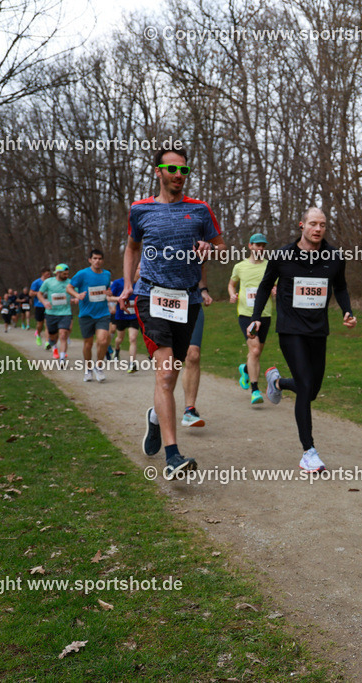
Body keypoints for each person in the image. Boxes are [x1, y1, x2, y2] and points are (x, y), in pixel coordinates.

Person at [117, 143, 226, 479]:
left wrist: (211, 249)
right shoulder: (140, 210)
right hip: (151, 295)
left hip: (188, 300)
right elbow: (131, 248)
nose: (179, 175)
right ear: (159, 172)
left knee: (173, 371)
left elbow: (222, 251)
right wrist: (127, 285)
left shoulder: (201, 210)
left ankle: (155, 417)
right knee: (165, 373)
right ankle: (173, 456)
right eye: (172, 169)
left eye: (184, 170)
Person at [248, 208, 356, 473]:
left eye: (322, 225)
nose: (318, 229)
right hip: (290, 328)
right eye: (313, 224)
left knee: (312, 390)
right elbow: (265, 285)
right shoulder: (282, 255)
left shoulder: (333, 257)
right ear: (302, 225)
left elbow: (340, 286)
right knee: (306, 387)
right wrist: (257, 317)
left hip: (318, 329)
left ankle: (278, 381)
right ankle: (309, 452)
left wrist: (347, 310)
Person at [230, 232, 274, 405]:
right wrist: (232, 294)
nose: (260, 248)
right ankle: (255, 390)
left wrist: (275, 289)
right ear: (250, 246)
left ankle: (246, 369)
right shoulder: (240, 266)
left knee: (257, 352)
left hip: (265, 314)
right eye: (257, 245)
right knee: (254, 351)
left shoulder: (270, 266)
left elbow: (274, 284)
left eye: (263, 246)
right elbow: (231, 284)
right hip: (246, 314)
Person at [68, 249, 114, 382]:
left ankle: (98, 366)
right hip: (86, 314)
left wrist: (108, 293)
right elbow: (69, 287)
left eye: (100, 259)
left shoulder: (107, 274)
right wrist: (77, 295)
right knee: (88, 344)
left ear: (102, 260)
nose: (97, 261)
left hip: (102, 313)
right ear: (90, 260)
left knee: (103, 340)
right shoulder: (82, 274)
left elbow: (106, 289)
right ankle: (88, 369)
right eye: (94, 258)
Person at [180, 265, 213, 427]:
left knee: (193, 354)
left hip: (192, 302)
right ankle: (160, 408)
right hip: (165, 304)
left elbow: (200, 269)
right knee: (169, 358)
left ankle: (189, 410)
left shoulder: (197, 243)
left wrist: (204, 290)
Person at [36, 264, 74, 362]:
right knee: (52, 336)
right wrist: (44, 302)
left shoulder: (70, 282)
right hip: (51, 313)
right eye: (64, 274)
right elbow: (39, 293)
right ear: (57, 273)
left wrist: (76, 298)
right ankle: (54, 347)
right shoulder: (48, 282)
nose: (66, 276)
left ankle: (62, 357)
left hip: (65, 312)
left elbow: (76, 293)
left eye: (67, 274)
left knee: (63, 334)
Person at [110, 276, 140, 372]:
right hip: (121, 315)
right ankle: (117, 349)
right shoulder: (118, 283)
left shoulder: (142, 283)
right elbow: (108, 297)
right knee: (120, 339)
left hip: (134, 316)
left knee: (133, 338)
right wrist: (119, 299)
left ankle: (132, 363)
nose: (139, 271)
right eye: (138, 268)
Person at [30, 268, 50, 346]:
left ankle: (47, 342)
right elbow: (31, 293)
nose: (48, 275)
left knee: (47, 324)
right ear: (42, 273)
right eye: (47, 274)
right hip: (39, 305)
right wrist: (39, 293)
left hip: (48, 305)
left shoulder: (50, 282)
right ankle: (38, 334)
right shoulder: (36, 282)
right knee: (40, 324)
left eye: (49, 274)